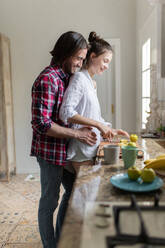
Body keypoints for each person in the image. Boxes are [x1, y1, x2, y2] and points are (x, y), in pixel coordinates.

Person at [30, 31, 97, 248]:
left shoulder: (67, 77)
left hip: (65, 151)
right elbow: (41, 124)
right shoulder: (48, 79)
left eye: (82, 59)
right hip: (49, 152)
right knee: (49, 202)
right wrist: (78, 134)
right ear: (65, 53)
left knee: (72, 190)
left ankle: (60, 240)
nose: (79, 63)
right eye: (77, 58)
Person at [59, 31, 129, 173]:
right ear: (92, 56)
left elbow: (92, 115)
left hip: (91, 147)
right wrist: (98, 125)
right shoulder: (79, 78)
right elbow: (65, 112)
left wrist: (110, 130)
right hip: (81, 150)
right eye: (105, 61)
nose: (107, 66)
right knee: (86, 194)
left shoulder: (91, 83)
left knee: (87, 193)